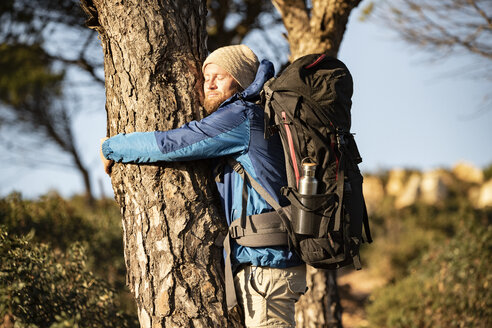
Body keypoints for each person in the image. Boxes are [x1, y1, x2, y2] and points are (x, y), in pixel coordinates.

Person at [100, 45, 306, 327]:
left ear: (240, 80)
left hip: (266, 268)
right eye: (206, 76)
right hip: (262, 265)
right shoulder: (254, 115)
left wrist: (112, 146)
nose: (208, 83)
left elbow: (174, 143)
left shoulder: (241, 116)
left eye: (219, 76)